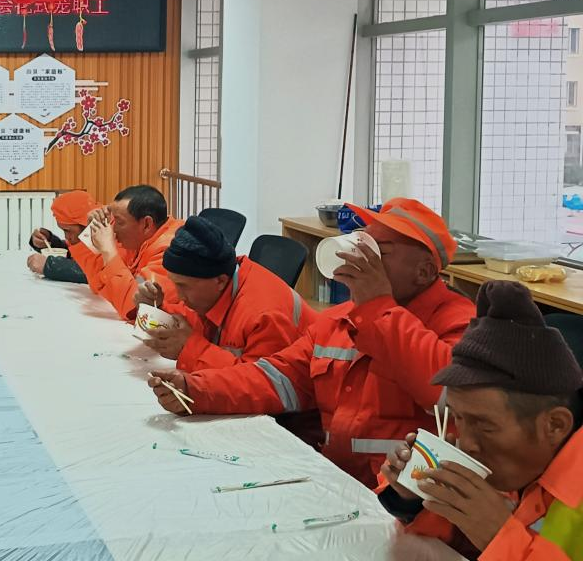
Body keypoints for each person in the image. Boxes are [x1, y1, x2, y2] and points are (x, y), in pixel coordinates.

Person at [149, 198, 473, 488]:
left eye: (380, 252)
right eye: (364, 242)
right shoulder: (339, 320)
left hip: (402, 501)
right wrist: (194, 389)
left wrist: (378, 307)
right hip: (332, 482)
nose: (362, 257)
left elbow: (446, 395)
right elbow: (274, 379)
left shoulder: (462, 324)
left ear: (423, 272)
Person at [379, 281, 583, 561]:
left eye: (483, 425)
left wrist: (500, 536)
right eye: (458, 417)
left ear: (554, 425)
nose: (467, 442)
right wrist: (417, 500)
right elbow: (466, 551)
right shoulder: (517, 462)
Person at [138, 215, 312, 371]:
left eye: (183, 286)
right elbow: (193, 319)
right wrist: (157, 309)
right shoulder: (219, 285)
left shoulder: (264, 314)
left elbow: (257, 383)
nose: (180, 297)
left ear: (220, 281)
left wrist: (188, 349)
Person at [81, 184, 182, 321]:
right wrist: (92, 233)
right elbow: (98, 285)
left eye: (119, 222)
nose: (113, 228)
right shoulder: (139, 238)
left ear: (147, 224)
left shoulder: (171, 250)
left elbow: (134, 309)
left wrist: (108, 251)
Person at [25, 190, 99, 284]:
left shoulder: (109, 237)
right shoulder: (91, 232)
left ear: (86, 224)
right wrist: (48, 242)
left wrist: (49, 265)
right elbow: (74, 253)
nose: (66, 237)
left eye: (67, 230)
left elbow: (98, 272)